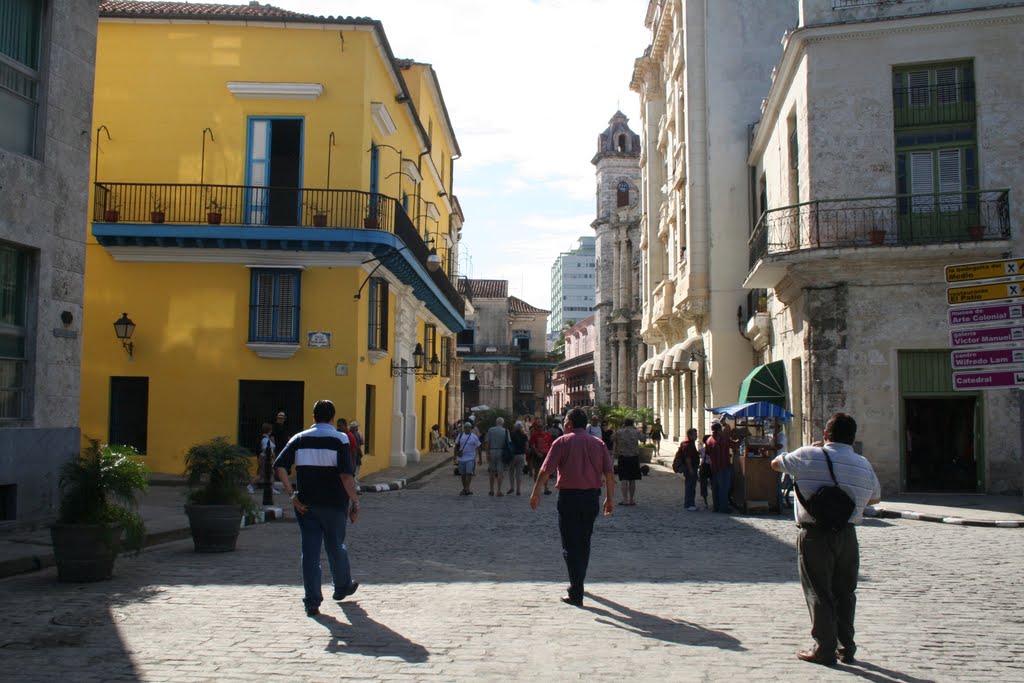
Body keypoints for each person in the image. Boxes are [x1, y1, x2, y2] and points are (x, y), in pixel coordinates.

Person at [771, 412, 881, 667]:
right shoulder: (862, 464)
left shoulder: (809, 455)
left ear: (825, 435)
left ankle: (824, 648)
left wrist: (809, 449)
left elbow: (776, 464)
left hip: (815, 533)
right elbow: (874, 498)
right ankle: (847, 646)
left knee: (819, 590)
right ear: (853, 438)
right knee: (846, 592)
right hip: (847, 534)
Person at [273, 399, 360, 617]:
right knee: (336, 546)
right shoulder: (340, 439)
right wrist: (355, 501)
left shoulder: (299, 439)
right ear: (332, 418)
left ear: (313, 418)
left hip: (306, 505)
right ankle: (342, 586)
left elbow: (280, 466)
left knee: (310, 553)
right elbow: (346, 475)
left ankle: (312, 601)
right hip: (334, 504)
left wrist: (291, 494)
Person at [529, 408, 615, 608]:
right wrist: (610, 499)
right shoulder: (598, 444)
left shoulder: (562, 442)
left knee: (569, 545)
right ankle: (579, 583)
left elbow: (545, 470)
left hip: (569, 498)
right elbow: (609, 474)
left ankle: (576, 588)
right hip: (591, 498)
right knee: (584, 541)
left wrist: (536, 493)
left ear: (568, 424)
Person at [705, 421, 737, 513]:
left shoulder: (709, 440)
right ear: (719, 430)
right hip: (723, 466)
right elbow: (734, 445)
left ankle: (716, 507)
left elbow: (707, 453)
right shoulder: (723, 439)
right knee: (724, 488)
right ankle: (723, 508)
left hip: (714, 467)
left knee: (715, 488)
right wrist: (741, 438)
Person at [612, 418, 644, 506]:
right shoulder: (636, 432)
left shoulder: (619, 432)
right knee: (632, 479)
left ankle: (625, 499)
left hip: (623, 457)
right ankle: (632, 500)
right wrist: (636, 430)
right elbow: (643, 439)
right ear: (632, 424)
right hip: (634, 457)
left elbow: (612, 438)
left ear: (624, 423)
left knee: (624, 479)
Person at [248, 422, 281, 495]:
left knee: (269, 473)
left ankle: (271, 488)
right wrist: (272, 454)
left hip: (264, 458)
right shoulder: (265, 439)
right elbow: (266, 449)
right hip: (265, 458)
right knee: (263, 475)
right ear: (269, 430)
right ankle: (250, 486)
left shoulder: (265, 438)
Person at [673, 427, 700, 511]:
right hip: (689, 468)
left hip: (692, 467)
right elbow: (687, 458)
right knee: (690, 486)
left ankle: (690, 503)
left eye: (696, 434)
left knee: (691, 485)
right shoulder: (687, 444)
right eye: (695, 435)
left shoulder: (690, 443)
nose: (696, 436)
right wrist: (691, 469)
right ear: (690, 435)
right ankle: (689, 504)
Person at [484, 417, 511, 496]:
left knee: (492, 472)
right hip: (501, 452)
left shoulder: (491, 430)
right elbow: (509, 443)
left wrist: (487, 453)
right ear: (503, 423)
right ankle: (498, 490)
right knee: (500, 473)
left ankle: (491, 490)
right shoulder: (506, 431)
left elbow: (487, 442)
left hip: (492, 451)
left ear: (496, 422)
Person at [453, 422, 481, 496]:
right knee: (463, 474)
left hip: (470, 458)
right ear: (464, 428)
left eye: (469, 427)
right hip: (461, 458)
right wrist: (454, 456)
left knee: (469, 473)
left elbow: (478, 447)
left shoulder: (474, 436)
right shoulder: (460, 435)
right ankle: (465, 488)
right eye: (466, 427)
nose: (468, 429)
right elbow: (456, 446)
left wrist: (480, 458)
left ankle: (467, 488)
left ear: (471, 428)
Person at [528, 418, 553, 495]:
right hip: (537, 456)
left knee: (546, 472)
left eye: (541, 427)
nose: (539, 428)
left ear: (543, 427)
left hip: (546, 455)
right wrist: (537, 453)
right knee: (537, 472)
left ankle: (546, 488)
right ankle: (537, 488)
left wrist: (550, 454)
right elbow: (532, 445)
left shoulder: (548, 435)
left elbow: (550, 445)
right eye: (538, 427)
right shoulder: (534, 435)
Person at [507, 420, 529, 495]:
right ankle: (518, 489)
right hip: (521, 455)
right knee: (519, 473)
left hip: (512, 455)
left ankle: (512, 487)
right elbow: (526, 446)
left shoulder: (511, 434)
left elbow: (508, 443)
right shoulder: (524, 435)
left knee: (511, 472)